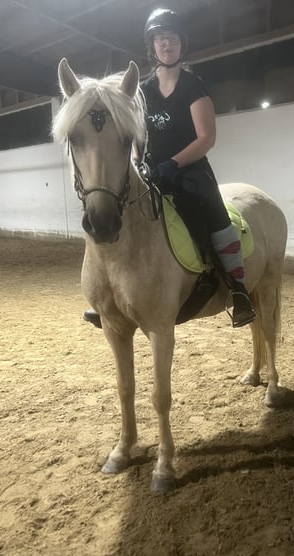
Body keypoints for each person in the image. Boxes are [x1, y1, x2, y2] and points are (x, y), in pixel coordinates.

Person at [84, 7, 255, 329]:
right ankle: (108, 298)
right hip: (151, 172)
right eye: (161, 39)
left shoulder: (193, 86)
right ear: (153, 46)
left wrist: (172, 164)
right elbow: (133, 135)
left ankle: (237, 288)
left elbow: (206, 138)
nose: (167, 44)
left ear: (181, 44)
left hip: (190, 171)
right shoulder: (143, 91)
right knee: (119, 215)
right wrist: (139, 163)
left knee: (216, 219)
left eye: (172, 38)